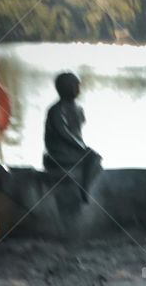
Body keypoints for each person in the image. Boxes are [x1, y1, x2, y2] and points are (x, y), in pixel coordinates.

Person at [43, 72, 102, 201]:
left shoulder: (78, 108)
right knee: (92, 157)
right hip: (58, 151)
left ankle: (85, 185)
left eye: (78, 86)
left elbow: (77, 131)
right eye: (75, 86)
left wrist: (81, 147)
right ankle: (84, 190)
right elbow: (63, 133)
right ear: (64, 88)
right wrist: (81, 147)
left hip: (73, 149)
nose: (78, 89)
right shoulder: (56, 110)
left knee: (95, 158)